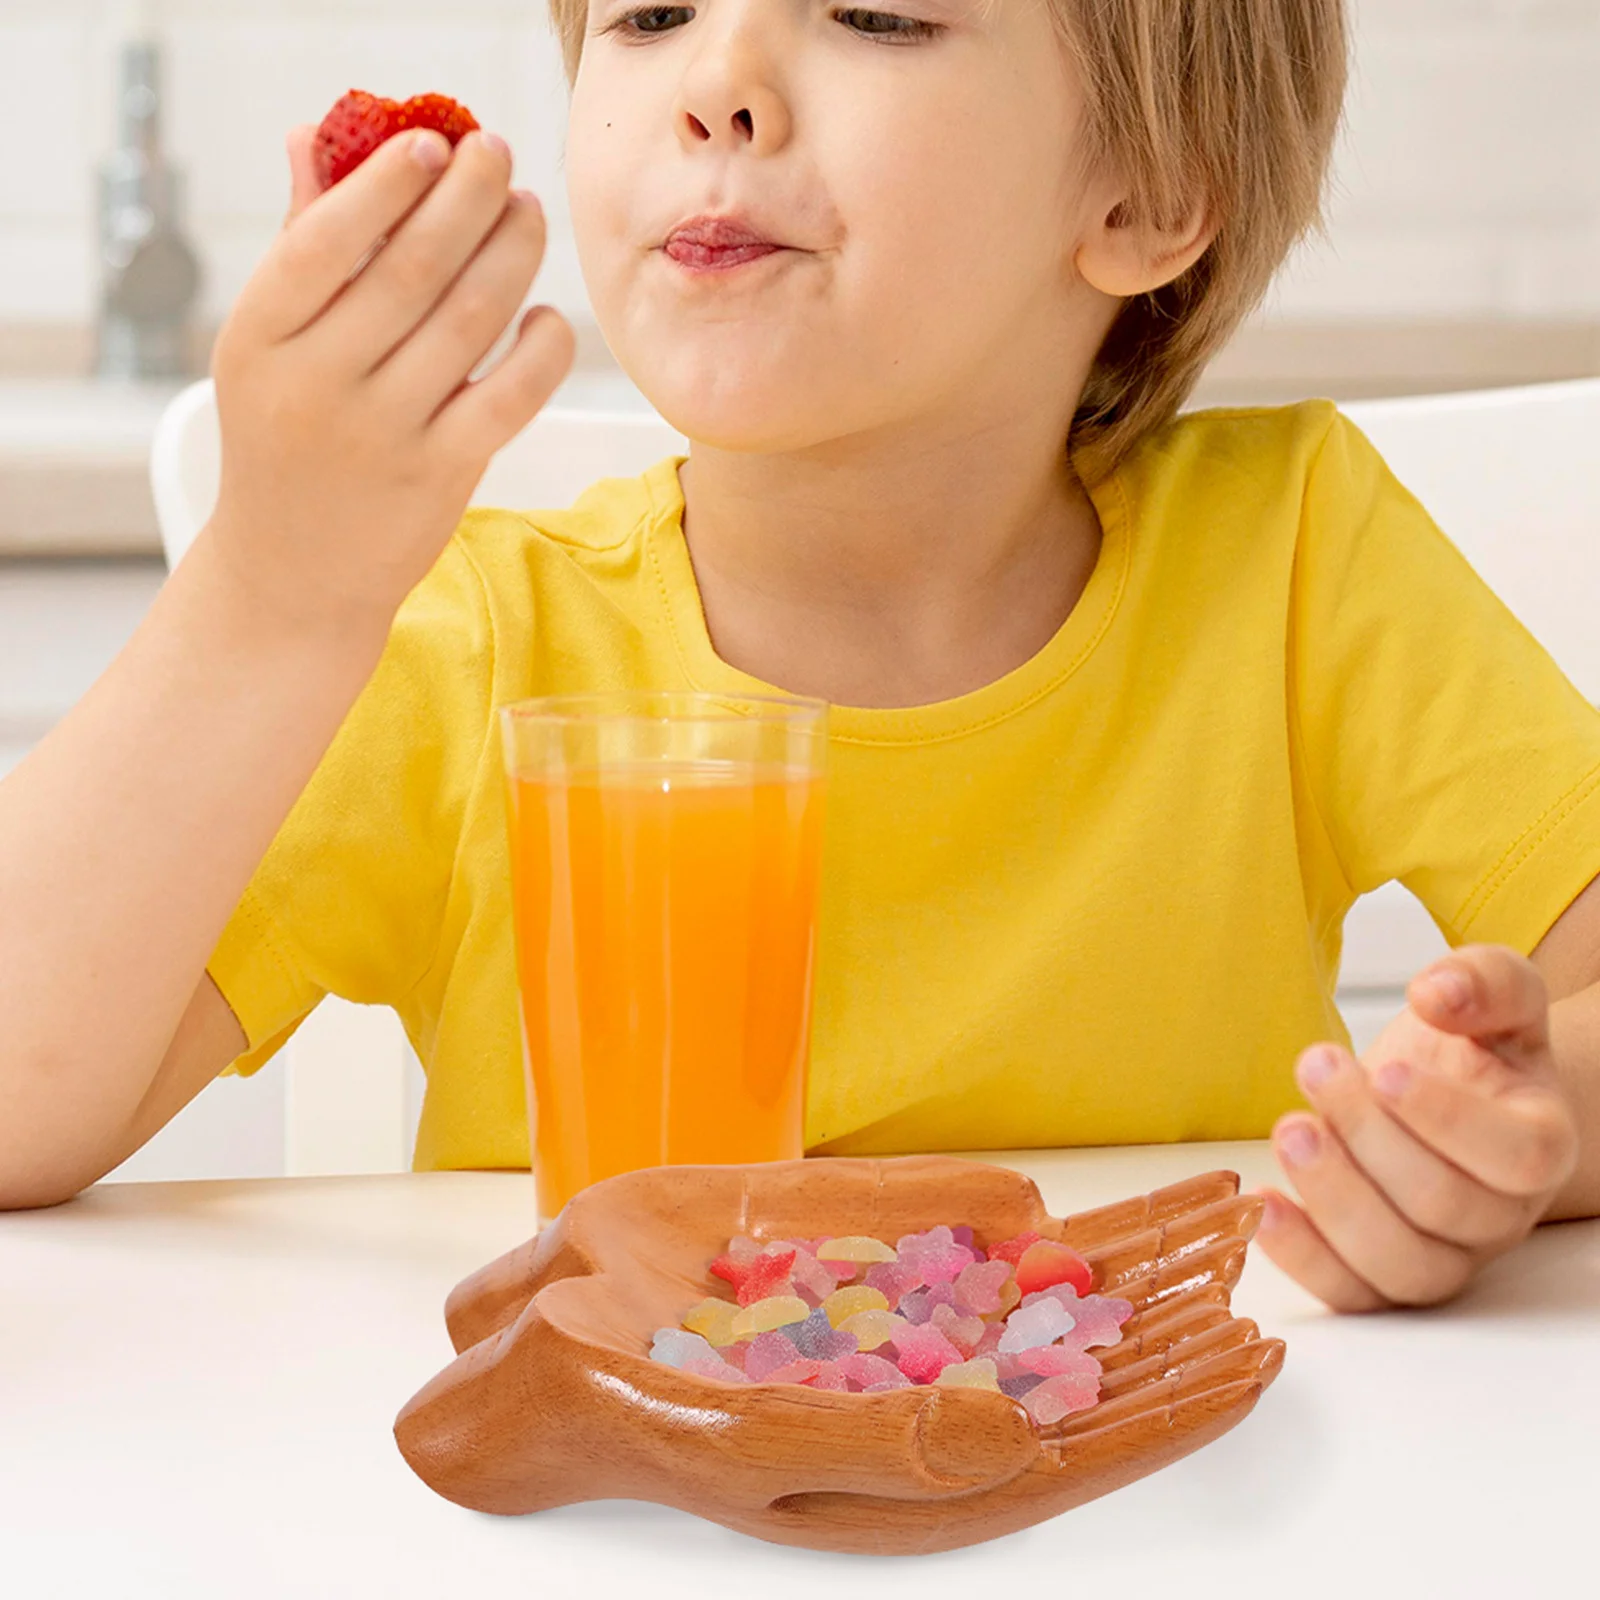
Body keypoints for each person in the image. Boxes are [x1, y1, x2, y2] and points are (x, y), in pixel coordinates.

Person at [0, 0, 1593, 1315]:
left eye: (875, 17)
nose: (719, 82)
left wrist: (1527, 1132)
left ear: (1145, 191)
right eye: (651, 15)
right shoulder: (475, 642)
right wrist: (274, 591)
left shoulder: (1298, 563)